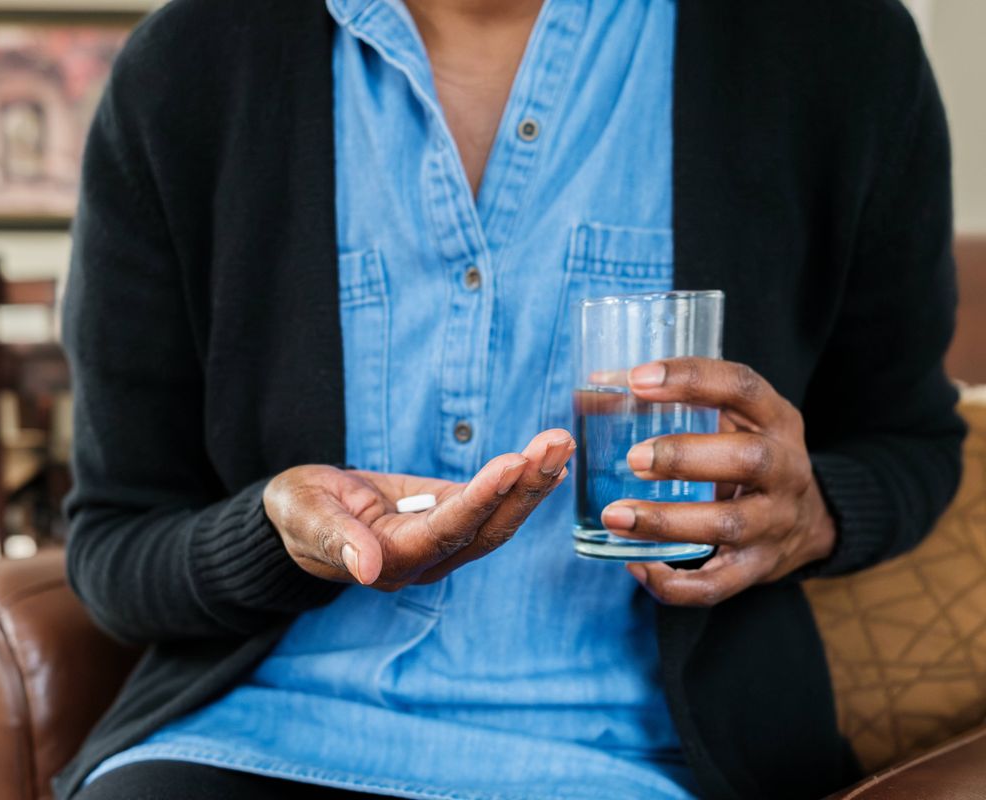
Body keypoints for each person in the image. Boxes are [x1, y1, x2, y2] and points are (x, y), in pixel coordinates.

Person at [56, 0, 965, 798]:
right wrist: (272, 538)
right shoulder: (184, 71)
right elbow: (114, 545)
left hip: (650, 764)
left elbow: (910, 442)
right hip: (251, 746)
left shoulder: (840, 49)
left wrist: (811, 513)